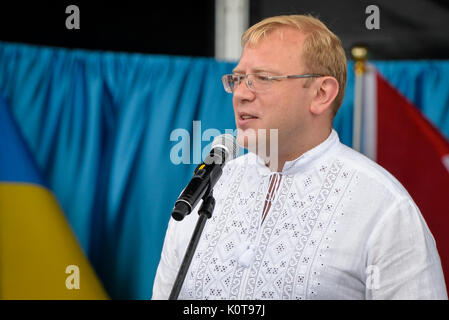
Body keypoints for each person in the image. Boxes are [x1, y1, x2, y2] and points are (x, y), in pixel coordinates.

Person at [152, 14, 447, 300]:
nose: (240, 94)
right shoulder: (204, 191)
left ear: (321, 93)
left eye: (262, 78)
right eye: (238, 78)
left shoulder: (384, 208)